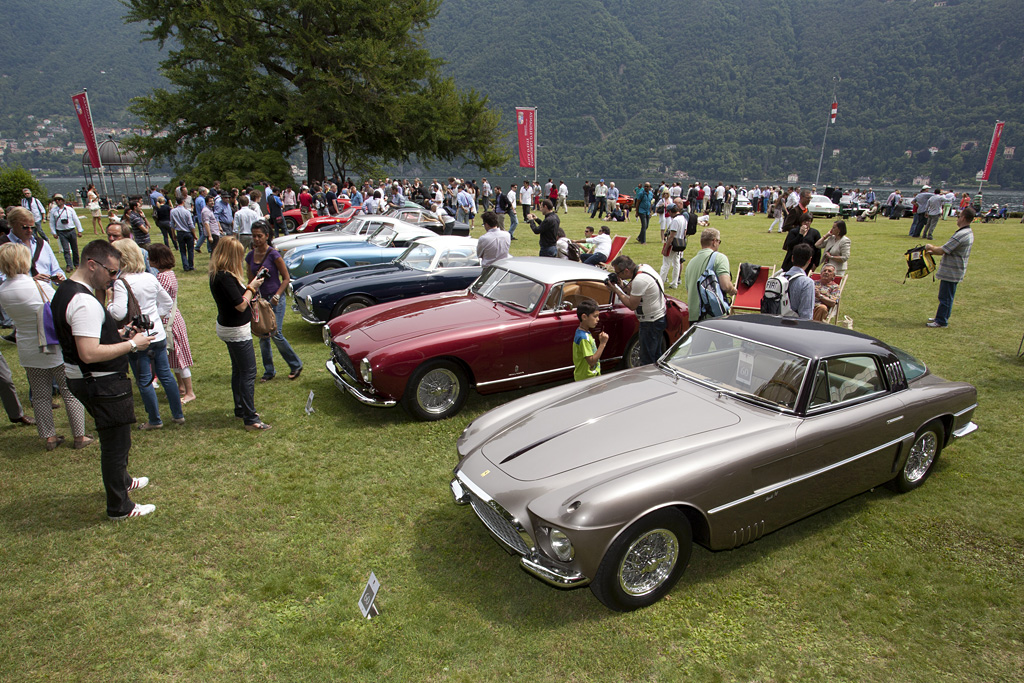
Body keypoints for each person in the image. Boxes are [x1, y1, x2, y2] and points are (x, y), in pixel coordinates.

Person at [53, 239, 157, 520]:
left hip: (86, 378)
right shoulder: (84, 301)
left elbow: (86, 339)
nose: (114, 279)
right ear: (92, 264)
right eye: (111, 272)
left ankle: (123, 482)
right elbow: (88, 352)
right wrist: (133, 344)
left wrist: (119, 335)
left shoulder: (65, 290)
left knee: (117, 441)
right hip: (101, 381)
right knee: (116, 444)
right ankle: (120, 507)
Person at [0, 243, 92, 449]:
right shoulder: (37, 286)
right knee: (69, 390)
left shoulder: (3, 290)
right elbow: (60, 305)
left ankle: (49, 437)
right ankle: (79, 435)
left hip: (26, 345)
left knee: (40, 394)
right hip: (51, 343)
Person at [108, 239, 184, 430]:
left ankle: (155, 420)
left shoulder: (121, 282)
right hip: (157, 333)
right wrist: (154, 316)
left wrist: (108, 302)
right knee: (166, 375)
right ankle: (178, 414)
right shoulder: (150, 277)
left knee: (144, 380)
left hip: (137, 337)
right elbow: (167, 303)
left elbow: (117, 313)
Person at [210, 238, 271, 430]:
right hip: (236, 330)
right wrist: (252, 288)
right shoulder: (225, 277)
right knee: (248, 372)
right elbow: (240, 304)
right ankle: (250, 418)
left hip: (228, 327)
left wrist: (250, 285)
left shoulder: (218, 275)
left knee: (238, 370)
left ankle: (241, 408)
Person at [246, 221, 303, 382]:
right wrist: (252, 296)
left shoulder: (274, 255)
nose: (256, 239)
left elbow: (286, 279)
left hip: (275, 300)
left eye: (260, 236)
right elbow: (250, 280)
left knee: (275, 333)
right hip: (260, 301)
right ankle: (269, 371)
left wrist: (277, 296)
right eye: (254, 236)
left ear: (267, 236)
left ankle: (295, 364)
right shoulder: (250, 256)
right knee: (263, 335)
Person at [149, 244, 196, 404]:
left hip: (169, 320)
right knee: (175, 357)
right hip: (173, 318)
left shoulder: (161, 277)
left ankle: (189, 391)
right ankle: (182, 388)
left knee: (178, 357)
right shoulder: (170, 274)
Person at [607, 254, 667, 365]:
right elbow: (633, 291)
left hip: (650, 323)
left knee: (647, 359)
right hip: (658, 318)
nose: (617, 275)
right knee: (655, 355)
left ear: (626, 270)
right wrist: (620, 284)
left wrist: (616, 290)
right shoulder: (643, 268)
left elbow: (632, 305)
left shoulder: (639, 280)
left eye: (618, 273)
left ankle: (648, 380)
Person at [924, 207, 975, 328]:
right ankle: (940, 316)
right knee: (947, 296)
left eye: (959, 216)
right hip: (954, 269)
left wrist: (929, 247)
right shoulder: (967, 232)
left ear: (963, 217)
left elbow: (943, 250)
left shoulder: (961, 234)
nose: (957, 219)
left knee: (945, 297)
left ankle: (941, 321)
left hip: (952, 270)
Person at [684, 227, 738, 321]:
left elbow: (689, 291)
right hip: (712, 315)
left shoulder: (691, 263)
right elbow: (725, 285)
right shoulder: (719, 258)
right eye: (719, 242)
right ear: (714, 241)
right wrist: (733, 290)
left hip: (694, 316)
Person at [573, 297, 609, 381]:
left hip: (589, 377)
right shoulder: (583, 338)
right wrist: (603, 343)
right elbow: (592, 361)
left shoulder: (584, 333)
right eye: (595, 316)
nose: (598, 319)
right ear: (584, 317)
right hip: (587, 379)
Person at [48, 194, 84, 271]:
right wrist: (54, 232)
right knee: (66, 250)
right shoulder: (53, 211)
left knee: (74, 248)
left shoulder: (70, 209)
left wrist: (79, 230)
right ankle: (69, 265)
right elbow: (51, 222)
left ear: (63, 201)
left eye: (59, 199)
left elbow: (76, 219)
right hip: (61, 232)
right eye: (56, 200)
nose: (57, 201)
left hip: (71, 230)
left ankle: (76, 263)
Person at [783, 243, 815, 320]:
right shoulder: (807, 283)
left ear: (792, 258)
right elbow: (806, 314)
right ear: (809, 260)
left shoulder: (779, 276)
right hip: (794, 326)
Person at [660, 205, 687, 288]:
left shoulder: (675, 220)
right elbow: (685, 232)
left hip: (673, 244)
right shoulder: (684, 218)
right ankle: (674, 283)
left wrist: (666, 247)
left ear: (671, 211)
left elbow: (671, 235)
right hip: (680, 243)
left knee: (666, 263)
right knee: (676, 263)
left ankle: (661, 281)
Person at [170, 195, 198, 271]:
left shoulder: (172, 211)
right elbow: (191, 225)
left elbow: (172, 224)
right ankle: (191, 266)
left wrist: (173, 235)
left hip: (179, 232)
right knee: (190, 250)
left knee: (182, 251)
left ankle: (185, 266)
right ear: (183, 202)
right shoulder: (187, 212)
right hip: (188, 232)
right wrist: (194, 235)